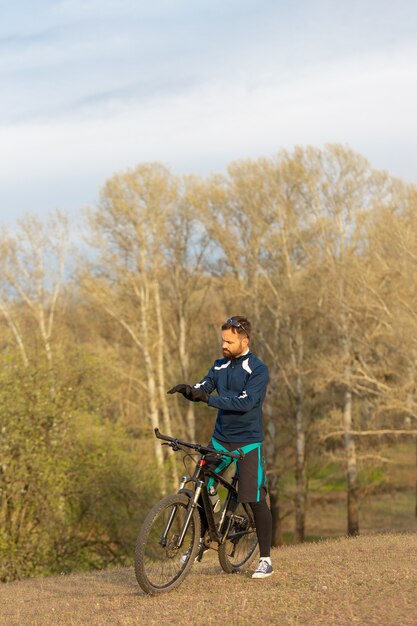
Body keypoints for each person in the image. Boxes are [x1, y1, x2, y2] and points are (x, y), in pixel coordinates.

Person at [167, 315, 273, 579]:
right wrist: (191, 391)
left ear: (244, 340)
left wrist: (210, 400)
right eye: (222, 340)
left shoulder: (258, 370)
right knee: (201, 486)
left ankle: (266, 559)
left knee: (254, 498)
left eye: (229, 341)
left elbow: (245, 403)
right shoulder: (219, 366)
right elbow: (205, 386)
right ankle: (202, 542)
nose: (223, 344)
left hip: (247, 443)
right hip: (219, 439)